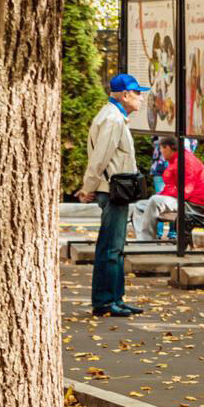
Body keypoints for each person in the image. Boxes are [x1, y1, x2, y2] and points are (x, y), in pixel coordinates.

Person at [83, 73, 148, 317]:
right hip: (112, 191)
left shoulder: (115, 117)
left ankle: (115, 298)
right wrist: (88, 186)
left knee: (115, 247)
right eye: (138, 93)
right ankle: (105, 302)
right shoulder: (112, 119)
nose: (141, 98)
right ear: (125, 94)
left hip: (115, 190)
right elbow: (100, 157)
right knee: (110, 248)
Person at [135, 136, 204, 240]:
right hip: (181, 200)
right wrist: (163, 194)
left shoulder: (185, 161)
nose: (160, 152)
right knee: (139, 206)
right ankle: (142, 239)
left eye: (161, 149)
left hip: (191, 205)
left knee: (155, 200)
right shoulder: (176, 160)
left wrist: (162, 196)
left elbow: (186, 190)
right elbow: (172, 187)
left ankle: (146, 242)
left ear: (167, 148)